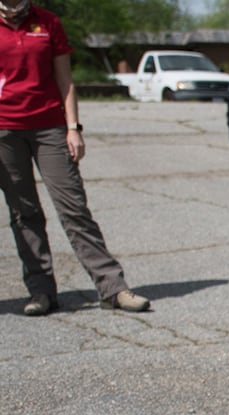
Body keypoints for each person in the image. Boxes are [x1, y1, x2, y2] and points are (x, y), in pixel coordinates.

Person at [0, 0, 150, 316]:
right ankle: (41, 291)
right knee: (23, 212)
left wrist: (73, 128)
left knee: (74, 207)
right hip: (5, 130)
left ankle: (112, 287)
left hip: (50, 127)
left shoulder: (48, 23)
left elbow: (65, 81)